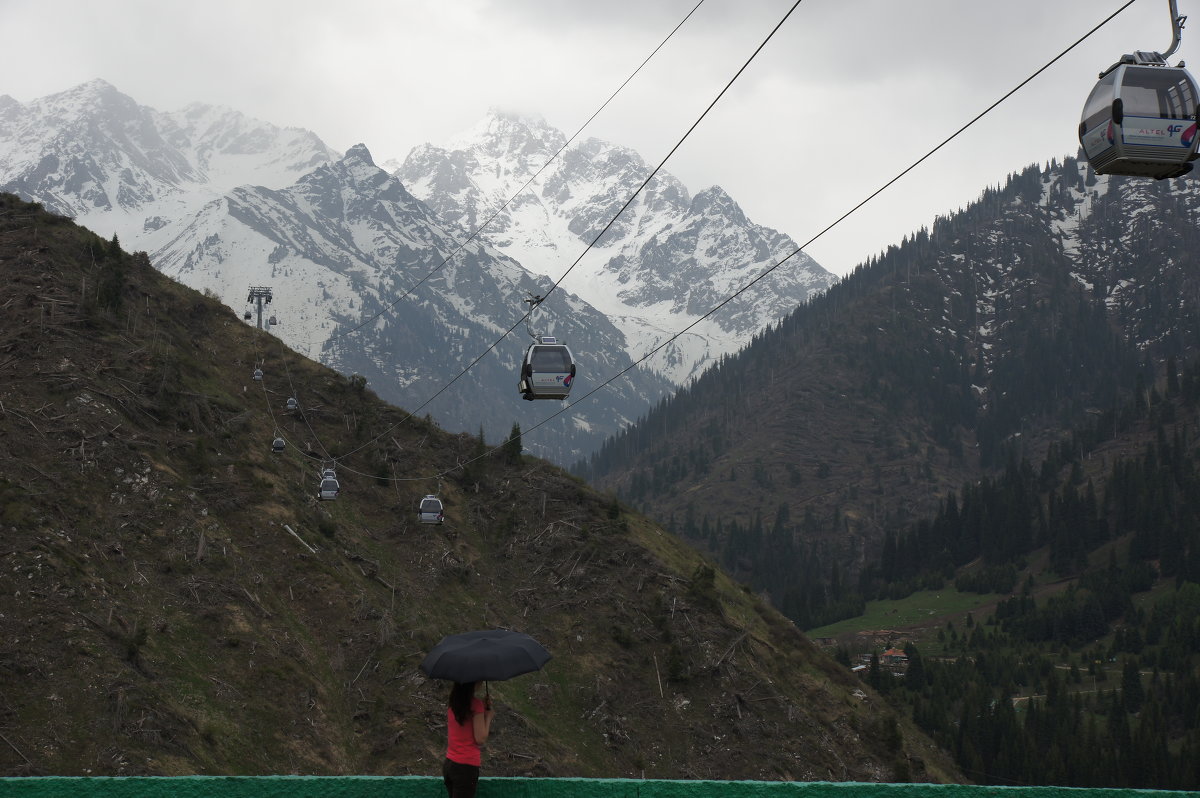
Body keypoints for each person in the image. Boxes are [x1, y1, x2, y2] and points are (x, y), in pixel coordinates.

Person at [443, 681, 495, 798]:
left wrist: (481, 707)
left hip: (450, 764)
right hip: (466, 767)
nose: (481, 682)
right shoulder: (476, 705)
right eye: (479, 680)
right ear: (472, 684)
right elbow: (480, 738)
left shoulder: (453, 703)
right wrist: (488, 717)